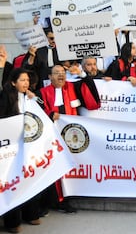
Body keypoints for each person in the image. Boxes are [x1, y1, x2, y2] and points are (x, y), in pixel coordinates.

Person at [38, 64, 100, 213]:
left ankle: (66, 199)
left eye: (63, 73)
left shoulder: (74, 88)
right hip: (51, 138)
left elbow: (93, 102)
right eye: (57, 73)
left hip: (72, 137)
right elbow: (38, 113)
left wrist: (83, 74)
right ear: (50, 77)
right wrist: (50, 114)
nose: (61, 75)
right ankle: (56, 201)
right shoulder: (41, 93)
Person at [0, 68, 41, 233]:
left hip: (27, 147)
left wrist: (34, 98)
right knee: (12, 182)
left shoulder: (30, 97)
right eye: (22, 80)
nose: (26, 83)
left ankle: (30, 214)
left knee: (28, 178)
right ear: (13, 82)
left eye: (27, 80)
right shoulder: (4, 97)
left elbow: (41, 114)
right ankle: (12, 222)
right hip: (9, 147)